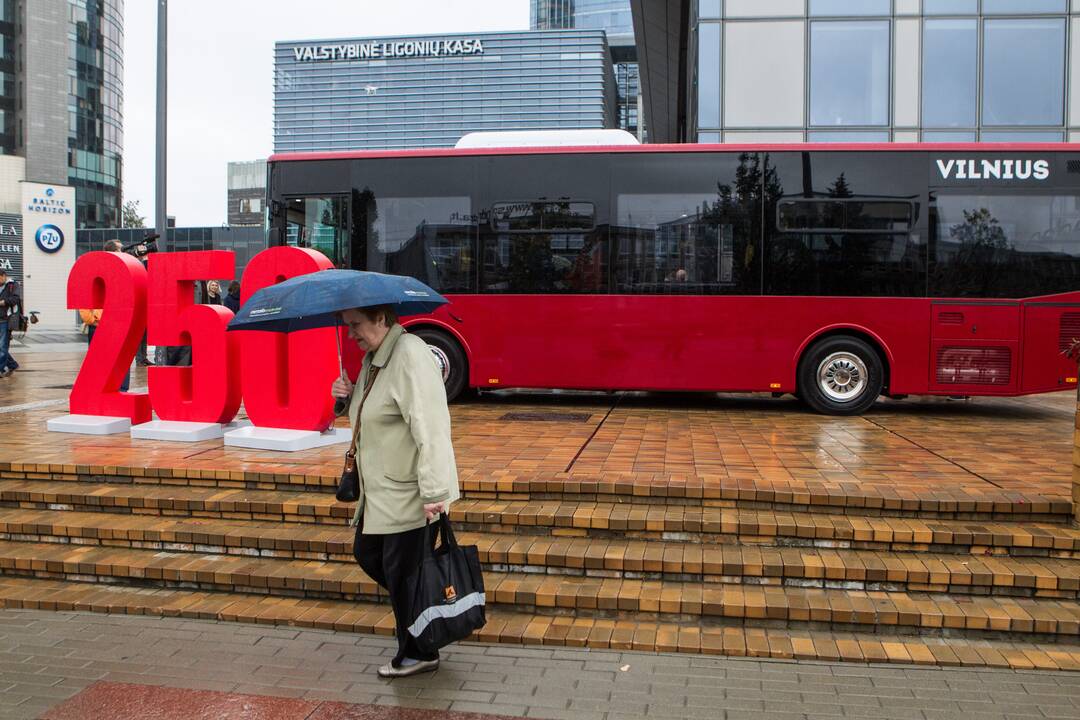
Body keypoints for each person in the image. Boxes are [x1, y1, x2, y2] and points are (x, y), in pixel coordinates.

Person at [331, 305, 460, 679]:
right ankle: (426, 620)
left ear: (381, 320)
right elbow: (376, 412)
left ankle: (419, 650)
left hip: (412, 494)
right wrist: (348, 394)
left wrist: (435, 492)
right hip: (383, 493)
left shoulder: (410, 355)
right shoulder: (376, 358)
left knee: (403, 573)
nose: (350, 334)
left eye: (356, 325)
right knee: (372, 555)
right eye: (347, 326)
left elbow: (431, 425)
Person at [80, 241, 130, 391]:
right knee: (99, 361)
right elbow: (85, 298)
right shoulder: (97, 271)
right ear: (113, 252)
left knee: (121, 358)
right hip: (98, 325)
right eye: (121, 249)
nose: (125, 252)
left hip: (117, 323)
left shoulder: (124, 271)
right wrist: (92, 319)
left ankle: (121, 389)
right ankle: (100, 390)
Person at [0, 269, 20, 377]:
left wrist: (3, 302)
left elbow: (15, 299)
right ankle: (12, 365)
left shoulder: (12, 285)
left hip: (6, 320)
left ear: (3, 276)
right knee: (1, 347)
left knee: (3, 346)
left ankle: (1, 369)